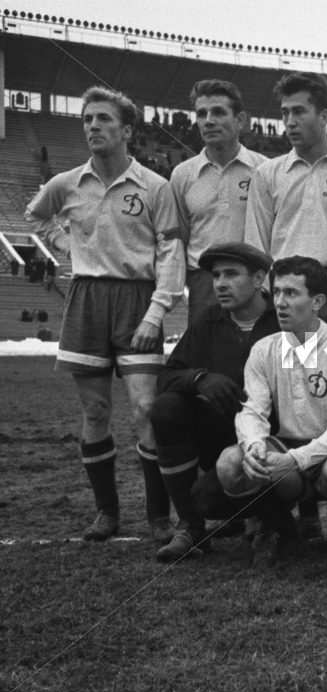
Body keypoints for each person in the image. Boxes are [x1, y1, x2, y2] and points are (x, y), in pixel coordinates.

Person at [25, 86, 185, 542]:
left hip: (137, 300)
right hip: (86, 300)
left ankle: (158, 516)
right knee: (95, 411)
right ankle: (107, 513)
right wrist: (66, 245)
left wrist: (157, 311)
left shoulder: (155, 187)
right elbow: (36, 216)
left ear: (127, 130)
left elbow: (171, 252)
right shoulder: (67, 183)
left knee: (147, 410)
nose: (92, 126)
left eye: (103, 119)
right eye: (87, 120)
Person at [215, 256, 327, 570]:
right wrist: (254, 444)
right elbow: (251, 410)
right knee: (230, 464)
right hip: (291, 448)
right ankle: (278, 527)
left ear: (317, 302)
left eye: (292, 293)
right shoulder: (264, 349)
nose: (280, 302)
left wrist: (294, 459)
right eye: (277, 292)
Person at [150, 243, 278, 561]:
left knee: (213, 493)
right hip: (225, 440)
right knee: (166, 408)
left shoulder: (283, 318)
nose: (220, 283)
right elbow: (167, 376)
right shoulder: (208, 321)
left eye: (231, 274)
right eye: (216, 275)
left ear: (259, 279)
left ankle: (274, 519)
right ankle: (191, 528)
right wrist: (200, 379)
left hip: (277, 441)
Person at [245, 72, 327, 337]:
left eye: (299, 112)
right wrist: (266, 299)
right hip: (283, 289)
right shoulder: (267, 174)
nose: (290, 122)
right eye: (285, 113)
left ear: (324, 117)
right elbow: (256, 245)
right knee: (287, 363)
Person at [170, 80, 268, 322]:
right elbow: (180, 238)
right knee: (205, 347)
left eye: (218, 112)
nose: (208, 121)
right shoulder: (182, 175)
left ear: (240, 120)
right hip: (205, 282)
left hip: (254, 280)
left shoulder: (265, 170)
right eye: (201, 114)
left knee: (257, 347)